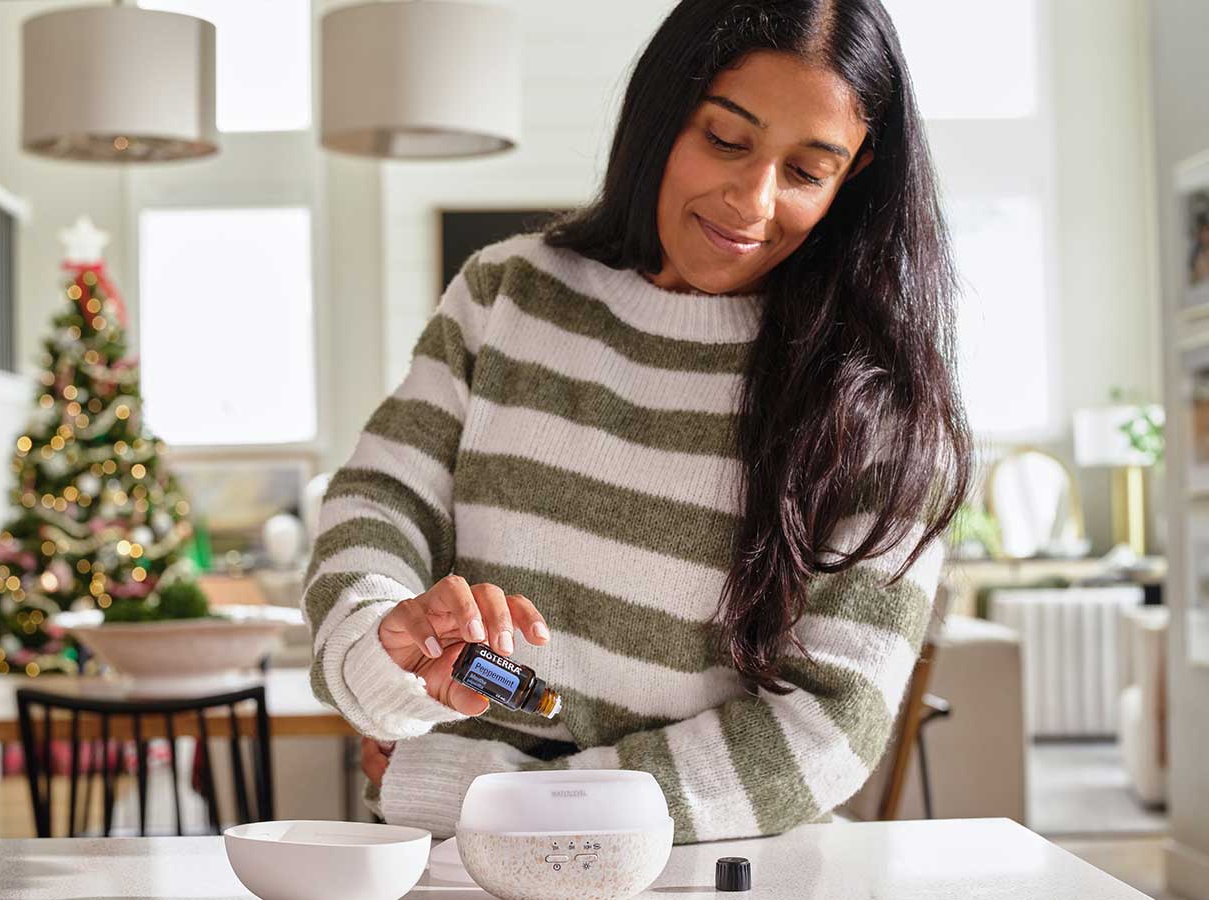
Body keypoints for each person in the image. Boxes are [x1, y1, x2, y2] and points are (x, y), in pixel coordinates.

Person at [303, 0, 972, 843]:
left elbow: (826, 730)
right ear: (662, 113)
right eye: (726, 140)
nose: (751, 204)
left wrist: (495, 795)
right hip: (455, 868)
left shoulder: (887, 413)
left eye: (806, 172)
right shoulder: (505, 295)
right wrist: (377, 641)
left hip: (707, 869)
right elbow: (377, 501)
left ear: (855, 174)